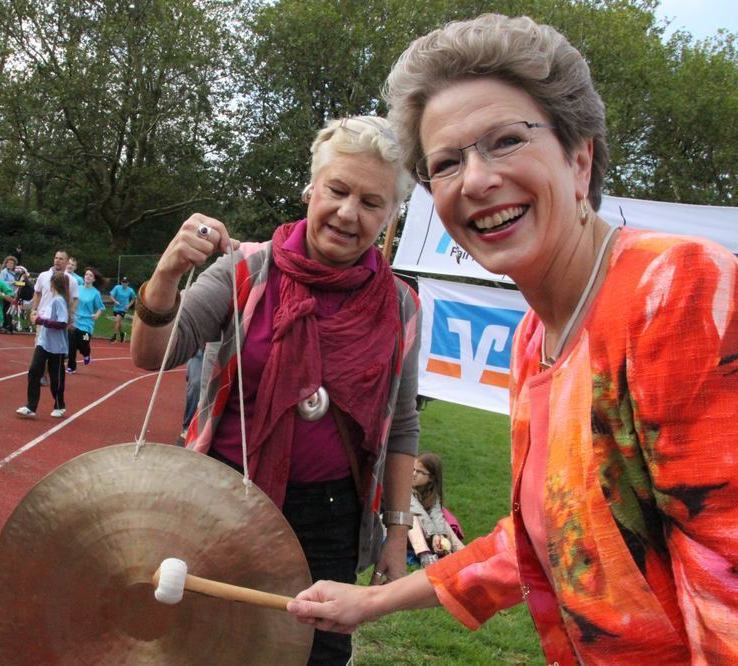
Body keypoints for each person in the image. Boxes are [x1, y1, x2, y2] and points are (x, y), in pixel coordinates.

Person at [286, 14, 738, 664]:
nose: (474, 179)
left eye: (504, 140)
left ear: (579, 158)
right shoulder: (534, 337)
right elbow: (539, 540)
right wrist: (370, 603)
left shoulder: (675, 289)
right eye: (446, 162)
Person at [131, 115, 420, 665]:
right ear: (311, 188)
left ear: (391, 215)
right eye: (337, 190)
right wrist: (167, 275)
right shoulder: (247, 270)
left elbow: (402, 424)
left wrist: (397, 532)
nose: (347, 213)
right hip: (223, 497)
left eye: (371, 201)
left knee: (317, 653)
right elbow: (153, 355)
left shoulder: (400, 304)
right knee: (204, 646)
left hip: (331, 515)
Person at [17, 271, 71, 418]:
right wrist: (37, 317)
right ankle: (31, 406)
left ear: (52, 284)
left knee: (56, 377)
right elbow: (48, 318)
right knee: (34, 371)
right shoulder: (53, 300)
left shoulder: (59, 301)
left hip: (56, 346)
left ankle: (60, 405)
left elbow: (62, 323)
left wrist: (40, 321)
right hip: (44, 342)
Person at [407, 453, 464, 568]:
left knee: (444, 522)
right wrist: (434, 535)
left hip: (425, 531)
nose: (413, 474)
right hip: (400, 531)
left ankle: (463, 553)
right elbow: (419, 512)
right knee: (411, 517)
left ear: (431, 478)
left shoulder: (432, 494)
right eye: (413, 469)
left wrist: (441, 535)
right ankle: (425, 557)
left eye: (419, 472)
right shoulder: (406, 490)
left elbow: (436, 514)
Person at [67, 267, 106, 373]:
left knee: (83, 343)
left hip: (87, 324)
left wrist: (97, 315)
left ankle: (86, 354)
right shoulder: (77, 288)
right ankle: (71, 367)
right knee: (72, 345)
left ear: (94, 279)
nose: (88, 276)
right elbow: (71, 301)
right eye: (86, 274)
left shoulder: (95, 293)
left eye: (90, 275)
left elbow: (101, 307)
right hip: (75, 321)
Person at [108, 276, 136, 343]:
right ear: (121, 282)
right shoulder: (117, 288)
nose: (124, 283)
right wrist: (115, 301)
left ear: (128, 283)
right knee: (119, 323)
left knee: (117, 321)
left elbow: (133, 298)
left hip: (123, 309)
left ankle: (114, 337)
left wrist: (129, 305)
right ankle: (122, 334)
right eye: (123, 282)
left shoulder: (130, 290)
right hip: (116, 308)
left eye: (125, 282)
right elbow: (110, 296)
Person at [0, 255, 19, 333]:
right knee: (5, 309)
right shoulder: (4, 272)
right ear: (6, 263)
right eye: (9, 263)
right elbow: (1, 282)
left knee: (10, 310)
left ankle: (8, 325)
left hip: (13, 294)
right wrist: (12, 283)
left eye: (12, 263)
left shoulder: (15, 273)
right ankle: (4, 325)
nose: (10, 264)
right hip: (5, 293)